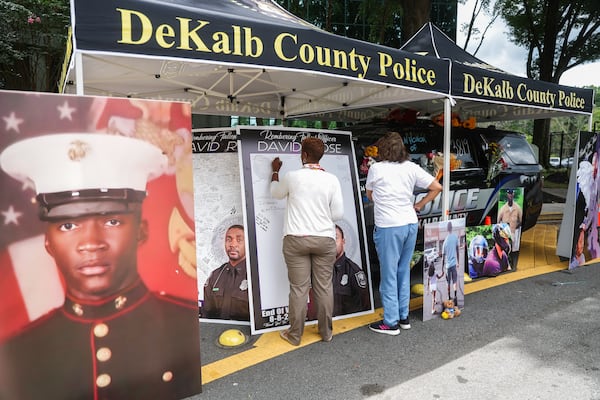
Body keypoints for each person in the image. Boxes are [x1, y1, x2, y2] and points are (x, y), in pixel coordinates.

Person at [0, 134, 201, 400]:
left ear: (141, 232)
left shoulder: (183, 325)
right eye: (68, 225)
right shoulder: (17, 351)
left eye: (111, 222)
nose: (90, 244)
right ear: (48, 243)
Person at [365, 132, 442, 335]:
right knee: (403, 270)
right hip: (410, 223)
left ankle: (390, 323)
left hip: (389, 226)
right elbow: (437, 186)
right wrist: (419, 205)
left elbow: (370, 194)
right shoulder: (411, 167)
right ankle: (403, 316)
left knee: (389, 274)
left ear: (382, 149)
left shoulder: (376, 168)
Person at [270, 137, 344, 346]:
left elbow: (275, 193)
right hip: (324, 240)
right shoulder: (331, 180)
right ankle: (326, 333)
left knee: (299, 288)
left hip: (296, 240)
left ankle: (294, 335)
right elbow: (337, 214)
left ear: (303, 155)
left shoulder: (292, 177)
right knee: (323, 287)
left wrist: (275, 172)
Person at [203, 224, 249, 321]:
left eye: (239, 240)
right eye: (229, 240)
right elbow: (207, 315)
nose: (233, 244)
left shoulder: (255, 276)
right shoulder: (215, 276)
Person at [332, 225, 370, 316]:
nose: (332, 242)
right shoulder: (318, 270)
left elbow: (364, 307)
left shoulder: (354, 271)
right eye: (328, 239)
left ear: (343, 241)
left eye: (335, 238)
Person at [441, 221, 460, 304]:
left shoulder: (445, 242)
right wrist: (458, 261)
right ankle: (455, 295)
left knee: (448, 282)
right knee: (454, 281)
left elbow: (443, 257)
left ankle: (449, 296)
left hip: (447, 266)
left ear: (447, 229)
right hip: (454, 264)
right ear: (452, 228)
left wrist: (442, 268)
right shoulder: (455, 237)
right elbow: (457, 250)